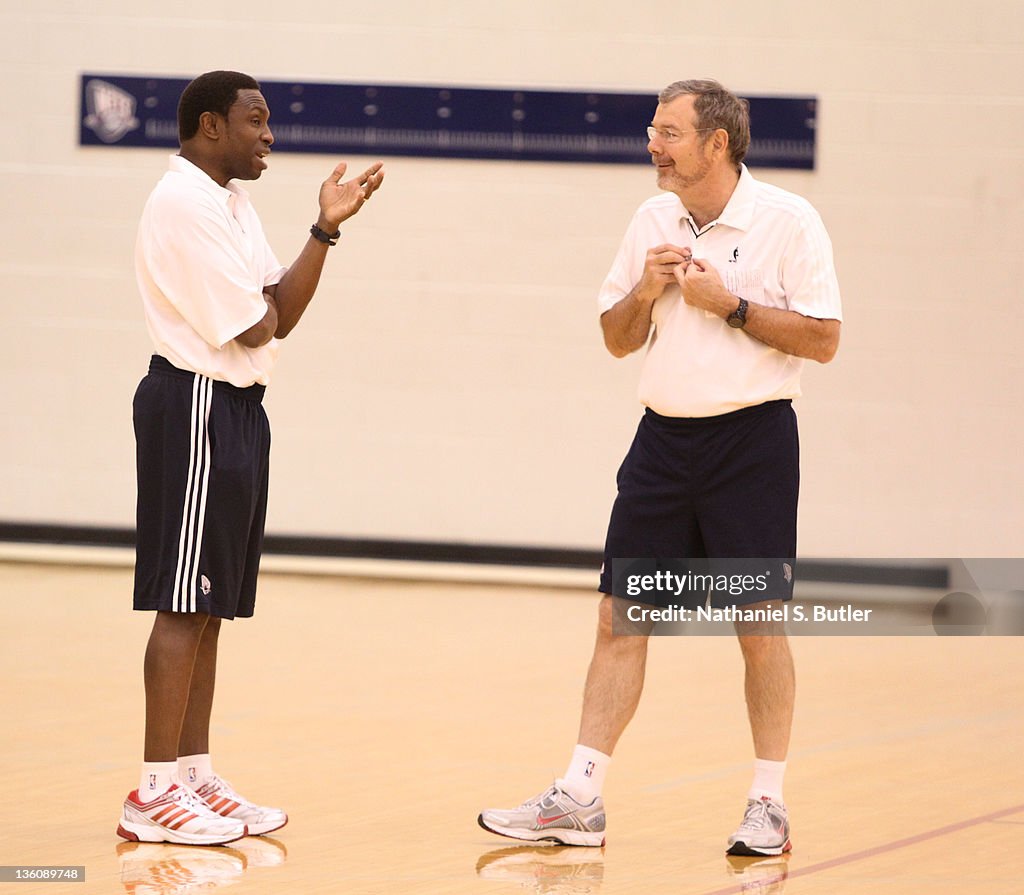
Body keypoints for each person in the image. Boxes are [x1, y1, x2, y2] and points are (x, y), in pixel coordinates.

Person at [479, 79, 841, 856]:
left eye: (669, 131)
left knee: (758, 625)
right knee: (619, 616)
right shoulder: (650, 219)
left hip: (753, 447)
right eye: (654, 129)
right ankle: (579, 797)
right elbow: (615, 339)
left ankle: (768, 805)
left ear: (717, 143)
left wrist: (732, 305)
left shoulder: (788, 220)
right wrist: (645, 290)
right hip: (663, 446)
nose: (654, 144)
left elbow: (822, 338)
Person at [117, 70, 384, 846]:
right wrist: (267, 303)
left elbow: (283, 311)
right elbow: (255, 324)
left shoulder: (230, 202)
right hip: (195, 404)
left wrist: (325, 229)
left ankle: (193, 773)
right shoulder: (180, 204)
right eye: (256, 122)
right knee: (180, 597)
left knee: (211, 602)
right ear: (210, 126)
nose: (270, 136)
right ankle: (153, 791)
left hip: (236, 410)